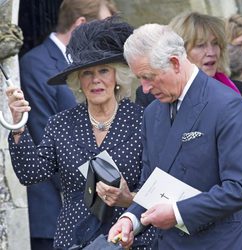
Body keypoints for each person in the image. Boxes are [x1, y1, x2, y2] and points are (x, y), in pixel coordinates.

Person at [7, 17, 155, 249]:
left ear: (117, 75)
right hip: (75, 241)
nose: (96, 80)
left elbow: (160, 191)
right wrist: (18, 125)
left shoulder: (143, 120)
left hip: (131, 240)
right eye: (87, 73)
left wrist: (129, 198)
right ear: (78, 80)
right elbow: (31, 174)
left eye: (104, 71)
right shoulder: (62, 124)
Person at [108, 23, 242, 249]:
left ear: (175, 63)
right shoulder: (152, 112)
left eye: (149, 77)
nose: (144, 88)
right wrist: (130, 219)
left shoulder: (227, 105)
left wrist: (177, 212)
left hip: (222, 242)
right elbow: (151, 182)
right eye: (140, 78)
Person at [19, 1, 117, 249]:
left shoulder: (87, 66)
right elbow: (48, 143)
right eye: (103, 29)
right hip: (53, 216)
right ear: (81, 25)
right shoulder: (37, 65)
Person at [135, 11, 242, 107]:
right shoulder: (152, 95)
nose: (211, 52)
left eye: (215, 43)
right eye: (200, 45)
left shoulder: (238, 89)